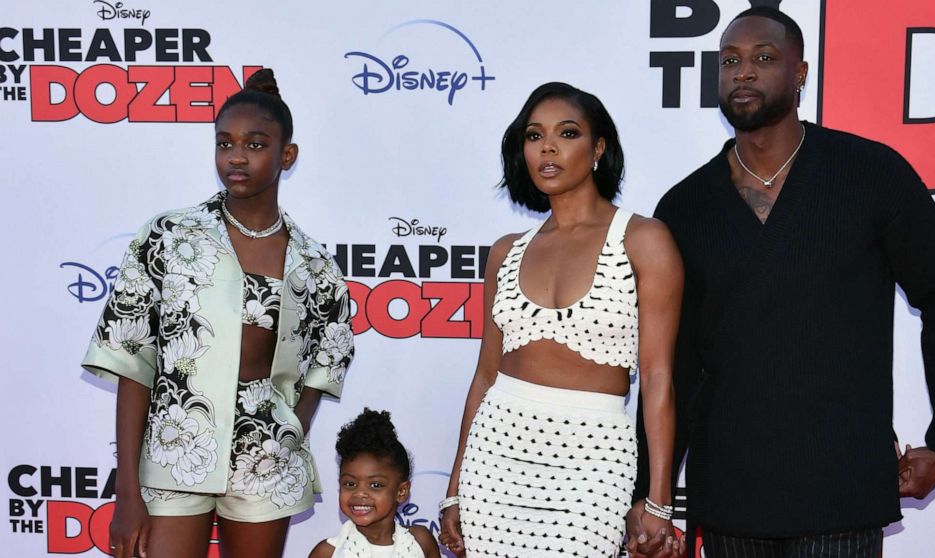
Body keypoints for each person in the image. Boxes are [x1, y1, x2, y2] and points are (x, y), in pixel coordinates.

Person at [629, 7, 935, 558]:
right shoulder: (685, 207)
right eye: (729, 61)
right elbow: (672, 366)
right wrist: (649, 492)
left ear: (800, 74)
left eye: (764, 58)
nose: (742, 72)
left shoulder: (872, 174)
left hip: (842, 488)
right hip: (729, 494)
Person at [81, 68, 355, 558]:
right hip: (175, 443)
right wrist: (126, 492)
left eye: (255, 144)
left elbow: (327, 361)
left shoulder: (315, 265)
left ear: (286, 155)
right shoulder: (168, 237)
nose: (236, 156)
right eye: (224, 143)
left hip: (266, 456)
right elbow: (132, 363)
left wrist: (290, 427)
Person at [438, 82, 685, 558]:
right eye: (534, 136)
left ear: (598, 149)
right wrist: (454, 488)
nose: (548, 147)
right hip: (497, 455)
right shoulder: (505, 252)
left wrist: (658, 499)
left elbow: (658, 377)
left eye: (566, 133)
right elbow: (485, 375)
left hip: (595, 458)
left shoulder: (644, 240)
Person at [308, 408, 440, 558]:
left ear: (401, 491)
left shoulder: (420, 543)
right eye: (350, 484)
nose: (359, 493)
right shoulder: (327, 553)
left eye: (375, 485)